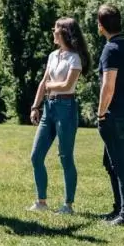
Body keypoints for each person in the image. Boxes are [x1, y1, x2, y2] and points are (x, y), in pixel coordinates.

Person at [27, 18, 92, 214]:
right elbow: (43, 82)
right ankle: (41, 202)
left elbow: (65, 85)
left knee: (65, 156)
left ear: (64, 32)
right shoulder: (53, 55)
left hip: (66, 108)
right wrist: (35, 106)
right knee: (36, 156)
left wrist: (48, 86)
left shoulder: (75, 58)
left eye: (55, 29)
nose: (52, 31)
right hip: (49, 108)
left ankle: (68, 205)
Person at [96, 4, 124, 225]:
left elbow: (108, 85)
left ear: (100, 26)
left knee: (120, 164)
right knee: (110, 162)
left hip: (114, 114)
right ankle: (118, 207)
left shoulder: (110, 49)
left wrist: (101, 112)